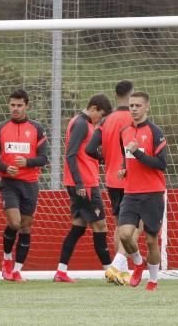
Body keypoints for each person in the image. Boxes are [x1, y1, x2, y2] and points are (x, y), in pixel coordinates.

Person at [0, 89, 49, 283]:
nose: (15, 109)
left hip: (30, 184)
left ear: (26, 106)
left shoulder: (37, 128)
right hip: (9, 183)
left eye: (19, 105)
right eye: (12, 105)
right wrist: (6, 167)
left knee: (25, 226)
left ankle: (17, 270)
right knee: (14, 222)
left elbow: (43, 158)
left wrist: (28, 162)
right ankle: (6, 259)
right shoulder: (0, 128)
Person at [55, 94, 113, 283]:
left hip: (82, 182)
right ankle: (110, 273)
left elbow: (82, 153)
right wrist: (79, 183)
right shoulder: (81, 123)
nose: (100, 120)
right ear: (93, 108)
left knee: (78, 228)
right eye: (100, 116)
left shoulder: (82, 122)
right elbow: (71, 154)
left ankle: (61, 271)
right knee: (100, 225)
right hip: (84, 184)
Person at [117, 92, 168, 292]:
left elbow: (161, 164)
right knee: (124, 234)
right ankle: (138, 263)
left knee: (151, 240)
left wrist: (138, 152)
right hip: (131, 193)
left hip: (153, 193)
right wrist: (123, 168)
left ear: (147, 107)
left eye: (138, 105)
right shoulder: (124, 131)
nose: (134, 109)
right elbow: (126, 156)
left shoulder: (155, 132)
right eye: (131, 105)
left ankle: (153, 281)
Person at [85, 80, 136, 284]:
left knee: (119, 226)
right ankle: (118, 264)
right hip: (133, 179)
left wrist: (105, 158)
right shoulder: (134, 118)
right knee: (134, 225)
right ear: (132, 97)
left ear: (115, 96)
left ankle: (119, 272)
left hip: (112, 179)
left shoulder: (107, 121)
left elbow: (89, 149)